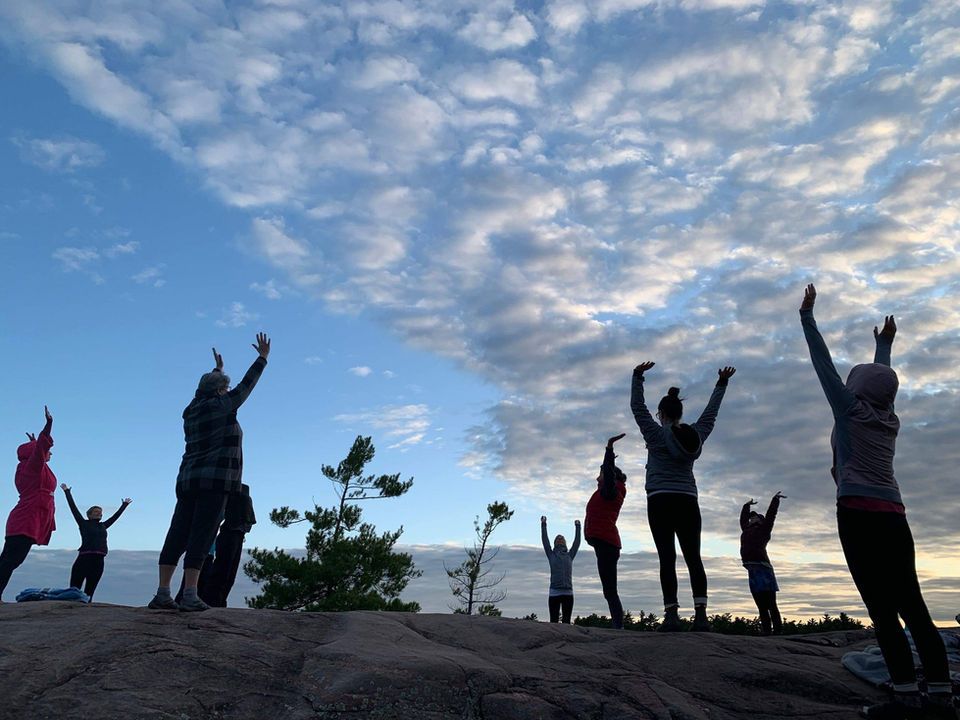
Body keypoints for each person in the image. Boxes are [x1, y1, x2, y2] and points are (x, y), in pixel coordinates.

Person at [800, 283, 956, 720]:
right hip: (895, 515)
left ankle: (906, 697)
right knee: (913, 604)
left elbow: (823, 365)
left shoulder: (849, 410)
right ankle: (941, 697)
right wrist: (883, 346)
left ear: (857, 388)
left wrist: (807, 319)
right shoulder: (889, 417)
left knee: (882, 609)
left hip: (857, 515)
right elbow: (883, 382)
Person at [149, 334, 270, 612]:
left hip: (188, 481)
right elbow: (246, 386)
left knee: (176, 534)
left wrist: (217, 371)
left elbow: (203, 390)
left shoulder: (190, 410)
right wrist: (262, 359)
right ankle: (190, 593)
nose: (228, 392)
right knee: (202, 537)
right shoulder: (221, 405)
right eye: (224, 388)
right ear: (220, 392)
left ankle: (163, 593)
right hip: (215, 483)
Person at [631, 361, 735, 632]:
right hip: (688, 500)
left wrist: (637, 376)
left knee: (667, 557)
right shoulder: (696, 434)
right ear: (679, 412)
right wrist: (721, 384)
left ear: (661, 413)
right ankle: (701, 617)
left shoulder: (654, 433)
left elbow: (637, 408)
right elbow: (711, 414)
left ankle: (672, 616)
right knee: (694, 557)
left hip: (659, 499)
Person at [0, 406, 57, 602]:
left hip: (29, 518)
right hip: (26, 519)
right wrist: (48, 425)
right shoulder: (31, 468)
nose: (50, 453)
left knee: (10, 561)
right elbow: (40, 451)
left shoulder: (30, 467)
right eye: (48, 451)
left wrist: (34, 444)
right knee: (9, 561)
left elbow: (38, 452)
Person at [583, 434, 627, 629]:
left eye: (599, 473)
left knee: (610, 589)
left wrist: (609, 450)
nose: (596, 477)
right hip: (605, 543)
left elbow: (608, 474)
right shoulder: (607, 490)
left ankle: (619, 626)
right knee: (609, 589)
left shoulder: (611, 490)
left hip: (607, 544)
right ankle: (618, 624)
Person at [61, 484, 132, 601]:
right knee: (74, 590)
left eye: (100, 512)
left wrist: (124, 505)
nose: (99, 513)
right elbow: (73, 508)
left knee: (90, 592)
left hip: (99, 560)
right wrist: (67, 492)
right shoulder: (83, 523)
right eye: (95, 511)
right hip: (84, 558)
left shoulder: (103, 525)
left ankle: (86, 613)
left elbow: (116, 516)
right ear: (89, 514)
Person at [740, 492, 786, 636]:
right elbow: (742, 519)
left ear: (760, 521)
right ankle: (766, 630)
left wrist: (775, 500)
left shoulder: (764, 530)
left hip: (764, 569)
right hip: (752, 570)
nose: (751, 518)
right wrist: (746, 506)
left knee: (771, 603)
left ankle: (777, 631)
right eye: (751, 517)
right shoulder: (746, 530)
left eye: (754, 517)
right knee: (760, 605)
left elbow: (771, 515)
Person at [204, 483, 257, 607]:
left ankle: (218, 600)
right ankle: (213, 600)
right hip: (230, 531)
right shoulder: (231, 524)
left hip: (235, 532)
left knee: (228, 572)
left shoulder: (236, 528)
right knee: (223, 570)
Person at [540, 515, 581, 623]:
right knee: (553, 621)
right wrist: (543, 524)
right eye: (558, 539)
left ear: (565, 542)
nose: (560, 539)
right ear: (555, 543)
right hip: (554, 592)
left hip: (568, 592)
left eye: (562, 538)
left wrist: (578, 526)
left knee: (566, 622)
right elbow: (545, 540)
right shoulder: (551, 554)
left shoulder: (570, 555)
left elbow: (576, 543)